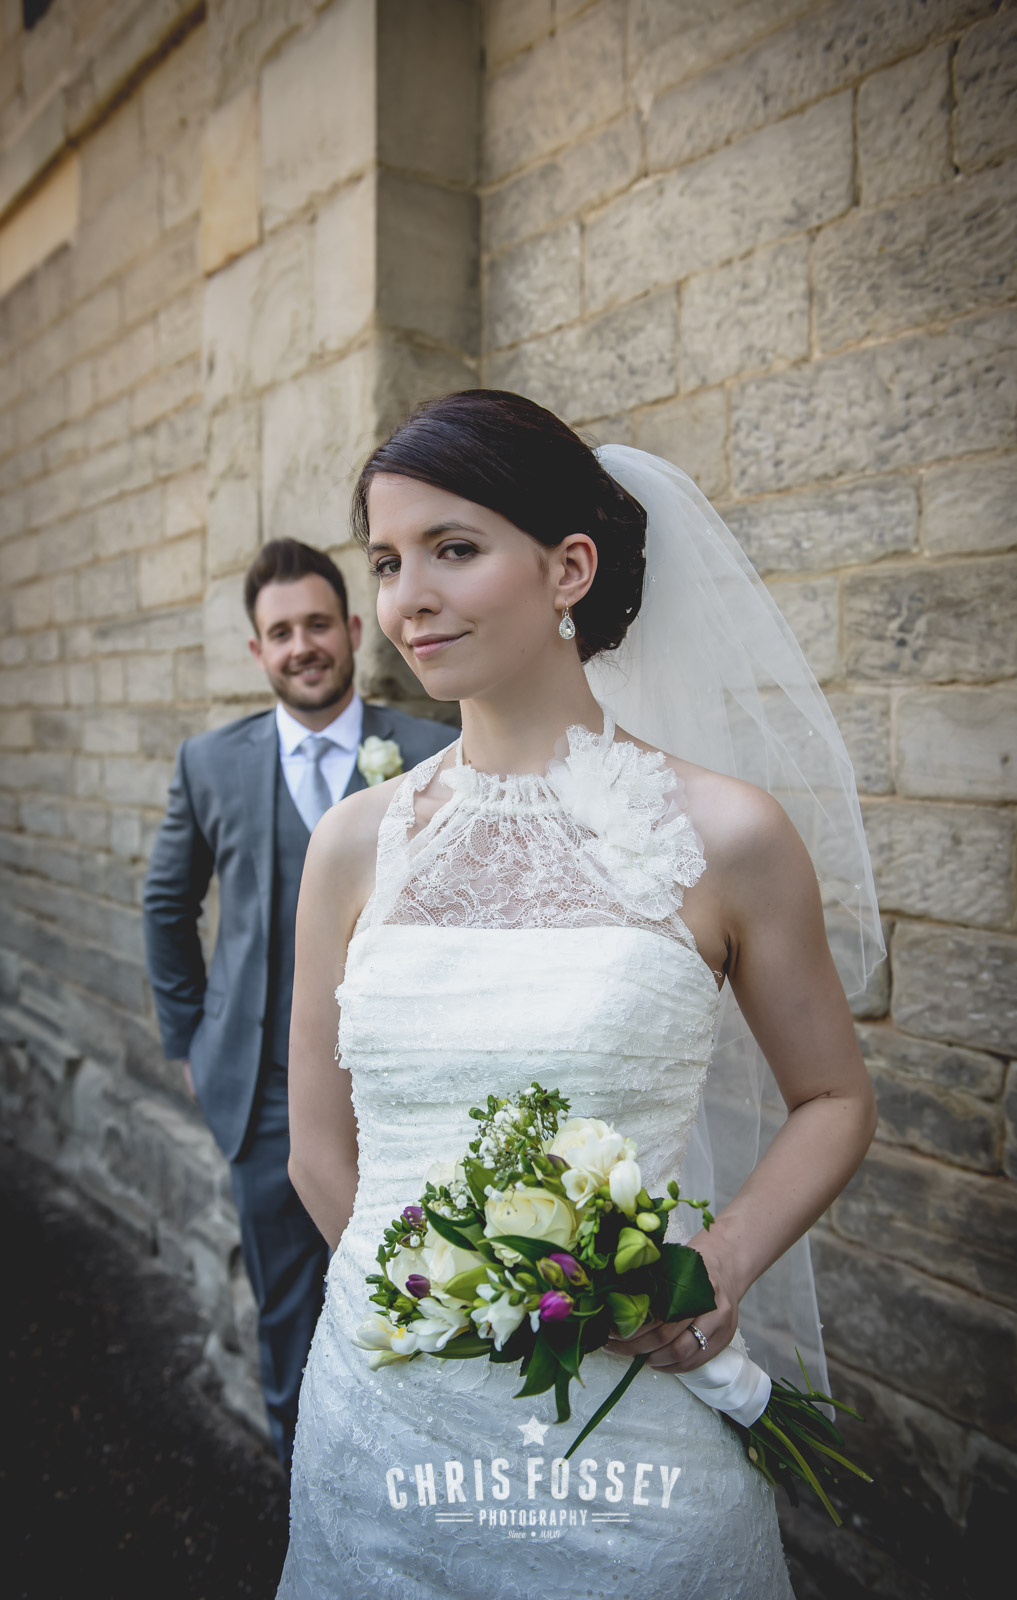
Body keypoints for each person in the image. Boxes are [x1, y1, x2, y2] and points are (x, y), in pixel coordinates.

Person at [275, 392, 882, 1597]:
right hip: (385, 1428)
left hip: (629, 1424)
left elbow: (834, 1098)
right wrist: (443, 1310)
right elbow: (316, 1150)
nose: (408, 598)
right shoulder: (351, 845)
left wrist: (717, 1264)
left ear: (569, 568)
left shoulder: (728, 833)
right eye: (387, 562)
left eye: (453, 548)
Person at [141, 538, 455, 1477]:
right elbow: (166, 906)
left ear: (353, 630)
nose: (302, 645)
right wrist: (189, 1042)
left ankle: (413, 1483)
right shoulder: (210, 762)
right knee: (287, 1308)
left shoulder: (432, 752)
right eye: (281, 633)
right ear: (258, 650)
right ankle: (302, 1485)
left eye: (318, 624)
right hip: (263, 1093)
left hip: (402, 1091)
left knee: (425, 1289)